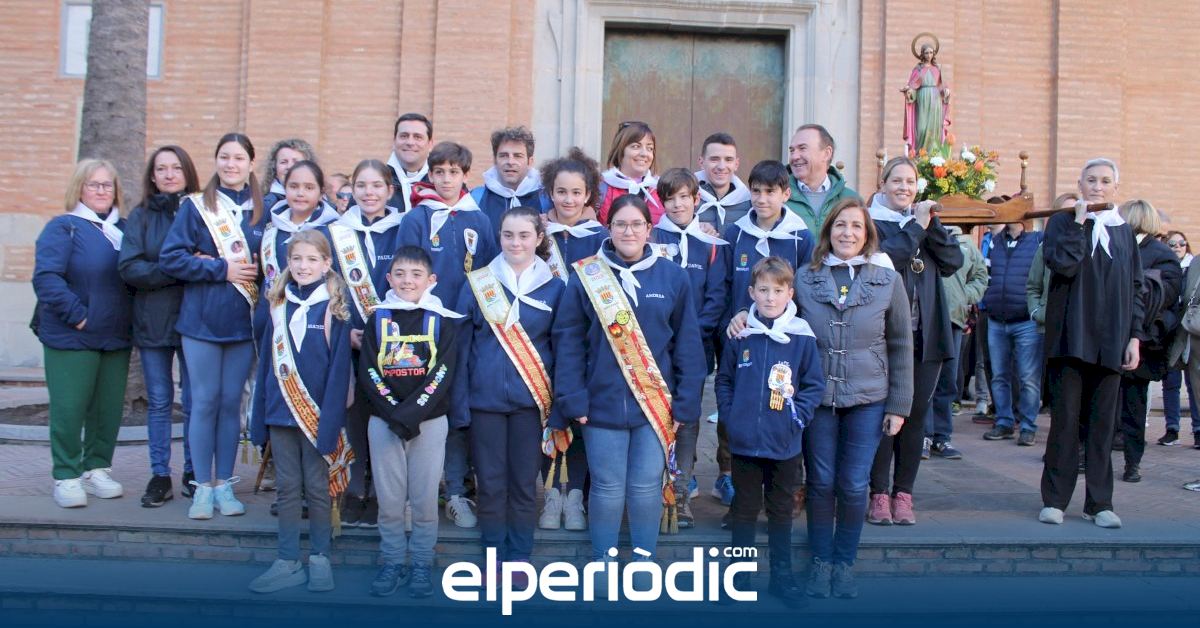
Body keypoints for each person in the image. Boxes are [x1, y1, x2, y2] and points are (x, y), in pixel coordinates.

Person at [552, 194, 705, 572]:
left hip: (654, 405)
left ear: (649, 229)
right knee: (606, 487)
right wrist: (573, 397)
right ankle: (602, 562)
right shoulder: (586, 275)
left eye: (637, 224)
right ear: (609, 228)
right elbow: (568, 341)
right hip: (599, 405)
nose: (629, 231)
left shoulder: (673, 276)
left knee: (645, 487)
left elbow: (688, 343)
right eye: (620, 224)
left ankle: (643, 564)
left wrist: (686, 402)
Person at [794, 198, 911, 599]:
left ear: (867, 234)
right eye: (840, 225)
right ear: (828, 231)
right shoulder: (805, 278)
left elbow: (901, 343)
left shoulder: (887, 280)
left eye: (856, 226)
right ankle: (820, 563)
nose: (847, 233)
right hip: (818, 397)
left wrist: (899, 405)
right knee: (821, 481)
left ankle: (843, 564)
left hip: (869, 397)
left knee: (854, 483)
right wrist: (746, 316)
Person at [453, 206, 565, 575]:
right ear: (499, 237)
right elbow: (461, 348)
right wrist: (461, 403)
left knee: (523, 484)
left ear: (539, 238)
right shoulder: (477, 283)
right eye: (508, 235)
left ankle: (518, 556)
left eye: (524, 235)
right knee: (490, 483)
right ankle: (492, 556)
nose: (515, 242)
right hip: (484, 403)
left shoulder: (555, 288)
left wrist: (559, 407)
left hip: (531, 405)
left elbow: (563, 350)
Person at [161, 132, 266, 520]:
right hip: (201, 322)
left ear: (251, 163)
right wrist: (221, 268)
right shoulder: (195, 207)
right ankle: (202, 487)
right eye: (224, 157)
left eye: (238, 158)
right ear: (216, 161)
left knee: (229, 404)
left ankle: (225, 483)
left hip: (243, 324)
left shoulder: (264, 210)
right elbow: (171, 259)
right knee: (203, 402)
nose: (231, 164)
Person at [397, 141, 498, 529]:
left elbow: (488, 273)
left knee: (458, 407)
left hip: (467, 328)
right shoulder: (417, 218)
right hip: (424, 327)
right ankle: (415, 495)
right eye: (438, 172)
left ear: (465, 176)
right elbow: (406, 273)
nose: (445, 179)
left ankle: (457, 491)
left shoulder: (480, 220)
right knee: (422, 405)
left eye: (453, 172)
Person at [1039, 158, 1144, 529]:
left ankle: (1099, 503)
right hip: (1070, 339)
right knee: (1065, 424)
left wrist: (1134, 337)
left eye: (1105, 181)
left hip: (1111, 341)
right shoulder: (1062, 223)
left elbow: (1136, 287)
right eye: (1091, 180)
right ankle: (1055, 500)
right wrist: (1079, 225)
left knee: (1102, 427)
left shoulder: (1124, 232)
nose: (1098, 187)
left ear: (1115, 187)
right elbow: (1063, 265)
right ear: (1080, 184)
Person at [248, 230, 352, 594]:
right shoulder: (278, 306)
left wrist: (331, 424)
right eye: (297, 259)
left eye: (311, 259)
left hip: (317, 419)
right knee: (288, 490)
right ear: (287, 263)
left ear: (326, 263)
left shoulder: (334, 308)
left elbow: (339, 372)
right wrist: (258, 418)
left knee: (319, 490)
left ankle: (320, 558)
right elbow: (266, 365)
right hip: (280, 414)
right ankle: (287, 560)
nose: (303, 266)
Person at [715, 256, 822, 607]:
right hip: (744, 444)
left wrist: (797, 418)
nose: (770, 298)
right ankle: (740, 576)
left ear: (790, 293)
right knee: (744, 512)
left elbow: (813, 385)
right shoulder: (741, 335)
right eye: (763, 290)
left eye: (777, 291)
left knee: (780, 512)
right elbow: (725, 379)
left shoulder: (801, 337)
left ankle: (781, 577)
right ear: (752, 293)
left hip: (784, 445)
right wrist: (731, 416)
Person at [358, 246, 463, 598]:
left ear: (430, 280)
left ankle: (421, 562)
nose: (407, 281)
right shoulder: (377, 319)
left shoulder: (441, 320)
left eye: (416, 275)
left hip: (429, 421)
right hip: (384, 420)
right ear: (389, 278)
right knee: (389, 501)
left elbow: (443, 372)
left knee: (424, 499)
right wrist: (395, 413)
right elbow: (368, 371)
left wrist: (412, 413)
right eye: (400, 274)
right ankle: (391, 560)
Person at [866, 157, 963, 526]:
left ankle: (903, 493)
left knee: (915, 415)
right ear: (883, 183)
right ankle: (878, 492)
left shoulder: (925, 222)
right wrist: (918, 226)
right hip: (885, 336)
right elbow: (888, 259)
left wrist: (930, 224)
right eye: (897, 181)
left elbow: (953, 260)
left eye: (910, 182)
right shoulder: (871, 222)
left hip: (926, 335)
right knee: (883, 414)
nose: (904, 188)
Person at [34, 159, 133, 508]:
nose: (102, 191)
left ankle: (96, 469)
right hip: (72, 336)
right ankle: (66, 474)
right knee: (69, 408)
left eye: (108, 185)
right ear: (79, 188)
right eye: (94, 184)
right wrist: (78, 317)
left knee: (107, 410)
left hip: (115, 337)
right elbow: (46, 278)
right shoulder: (63, 228)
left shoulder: (124, 230)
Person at [719, 159, 814, 511]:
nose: (762, 199)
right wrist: (734, 318)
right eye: (756, 191)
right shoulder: (736, 233)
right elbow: (726, 283)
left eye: (770, 192)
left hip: (787, 340)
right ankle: (736, 490)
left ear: (785, 194)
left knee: (781, 405)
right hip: (743, 333)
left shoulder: (800, 236)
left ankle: (787, 493)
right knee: (740, 403)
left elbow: (804, 287)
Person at [118, 145, 201, 507]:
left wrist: (185, 267)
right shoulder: (140, 216)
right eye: (161, 169)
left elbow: (213, 260)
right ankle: (160, 475)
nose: (169, 174)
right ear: (152, 176)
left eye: (176, 168)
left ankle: (194, 471)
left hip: (195, 319)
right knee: (160, 402)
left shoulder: (202, 211)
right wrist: (178, 268)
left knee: (195, 401)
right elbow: (129, 267)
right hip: (152, 320)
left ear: (187, 172)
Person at [651, 168, 728, 528]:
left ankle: (681, 492)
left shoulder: (711, 244)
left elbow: (716, 297)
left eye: (685, 197)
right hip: (655, 348)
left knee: (687, 419)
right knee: (655, 418)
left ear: (697, 199)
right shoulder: (651, 237)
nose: (678, 204)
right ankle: (654, 491)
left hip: (694, 348)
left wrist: (690, 336)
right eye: (670, 198)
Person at [328, 159, 404, 528]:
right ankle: (356, 488)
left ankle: (381, 492)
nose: (369, 193)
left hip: (394, 342)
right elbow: (329, 291)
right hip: (353, 340)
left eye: (376, 186)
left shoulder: (403, 229)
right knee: (355, 413)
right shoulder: (337, 233)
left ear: (390, 190)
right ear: (352, 190)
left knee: (386, 414)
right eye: (361, 185)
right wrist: (344, 333)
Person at [537, 147, 607, 530]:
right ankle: (551, 494)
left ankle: (576, 494)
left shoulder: (601, 239)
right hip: (540, 342)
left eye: (576, 192)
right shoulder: (536, 234)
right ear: (550, 191)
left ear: (588, 195)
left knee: (580, 417)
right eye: (561, 191)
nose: (568, 200)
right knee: (548, 416)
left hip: (584, 344)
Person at [1116, 200, 1182, 482]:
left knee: (1134, 405)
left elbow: (1165, 297)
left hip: (1142, 341)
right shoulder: (1115, 247)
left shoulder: (1161, 254)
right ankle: (1094, 456)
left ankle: (1132, 462)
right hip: (1112, 338)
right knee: (1105, 403)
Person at [924, 224, 987, 459]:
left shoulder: (966, 244)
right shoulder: (921, 234)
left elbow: (980, 276)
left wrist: (964, 297)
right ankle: (923, 435)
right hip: (925, 319)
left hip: (952, 319)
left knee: (947, 381)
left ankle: (942, 436)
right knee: (925, 382)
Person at [980, 218, 1045, 446]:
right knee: (999, 376)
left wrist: (1036, 310)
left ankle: (1028, 426)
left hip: (1026, 320)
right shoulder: (995, 242)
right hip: (997, 319)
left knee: (1028, 378)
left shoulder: (1037, 240)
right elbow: (986, 274)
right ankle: (1004, 421)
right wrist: (986, 301)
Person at [259, 160, 340, 340]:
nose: (300, 193)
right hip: (272, 324)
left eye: (309, 187)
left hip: (317, 326)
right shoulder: (271, 230)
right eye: (293, 186)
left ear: (321, 192)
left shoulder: (335, 231)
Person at [1160, 229, 1198, 446]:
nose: (1177, 247)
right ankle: (1172, 428)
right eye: (1172, 244)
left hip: (1191, 333)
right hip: (1172, 332)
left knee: (1194, 383)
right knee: (1171, 383)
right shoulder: (1165, 267)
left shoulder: (1195, 268)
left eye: (1181, 243)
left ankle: (1198, 429)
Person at [470, 126, 548, 233]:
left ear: (530, 162)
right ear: (495, 160)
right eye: (503, 155)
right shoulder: (475, 198)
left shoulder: (546, 199)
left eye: (518, 156)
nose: (510, 162)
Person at [785, 124, 858, 233]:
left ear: (826, 153)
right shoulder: (777, 198)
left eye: (802, 148)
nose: (794, 156)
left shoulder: (851, 200)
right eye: (792, 150)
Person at [597, 121, 663, 224]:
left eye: (649, 148)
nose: (644, 154)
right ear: (620, 150)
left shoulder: (661, 190)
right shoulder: (600, 188)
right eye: (636, 146)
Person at [901, 42, 951, 155]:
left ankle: (933, 155)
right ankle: (920, 154)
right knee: (922, 128)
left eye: (931, 53)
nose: (929, 55)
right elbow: (913, 86)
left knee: (934, 130)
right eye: (926, 53)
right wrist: (909, 91)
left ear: (934, 54)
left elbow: (942, 85)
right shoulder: (918, 69)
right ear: (922, 54)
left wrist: (946, 91)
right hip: (922, 100)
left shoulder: (937, 69)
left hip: (935, 100)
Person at [694, 132, 751, 232]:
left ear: (736, 164)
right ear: (701, 162)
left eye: (728, 160)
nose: (721, 167)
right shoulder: (687, 199)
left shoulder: (749, 203)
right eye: (714, 159)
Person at [387, 113, 433, 212]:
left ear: (430, 144)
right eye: (404, 136)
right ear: (394, 141)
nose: (410, 143)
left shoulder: (442, 183)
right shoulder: (377, 181)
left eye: (418, 137)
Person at [262, 139, 317, 210]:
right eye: (283, 162)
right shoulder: (266, 206)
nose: (289, 167)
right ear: (274, 167)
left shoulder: (323, 203)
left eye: (296, 162)